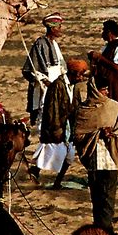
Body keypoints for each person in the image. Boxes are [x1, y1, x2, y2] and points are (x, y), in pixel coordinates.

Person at [70, 76, 118, 230]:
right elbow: (77, 135)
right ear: (95, 90)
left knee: (108, 200)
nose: (107, 92)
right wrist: (96, 134)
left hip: (110, 160)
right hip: (93, 161)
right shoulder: (83, 110)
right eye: (104, 89)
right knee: (96, 200)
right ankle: (100, 230)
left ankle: (106, 232)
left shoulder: (114, 107)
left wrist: (111, 134)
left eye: (108, 89)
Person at [29, 59, 90, 189]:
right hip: (56, 126)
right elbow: (52, 109)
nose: (81, 78)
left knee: (69, 155)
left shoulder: (74, 87)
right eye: (80, 75)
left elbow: (76, 106)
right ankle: (36, 171)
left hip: (68, 126)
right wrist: (56, 129)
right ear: (73, 74)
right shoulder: (57, 85)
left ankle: (57, 182)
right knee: (51, 152)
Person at [21, 12, 68, 124]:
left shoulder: (55, 44)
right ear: (52, 28)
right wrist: (47, 82)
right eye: (59, 27)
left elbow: (61, 67)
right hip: (44, 86)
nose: (61, 29)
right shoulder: (40, 44)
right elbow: (34, 68)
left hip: (57, 84)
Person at [89, 19, 118, 117]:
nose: (102, 34)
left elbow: (117, 67)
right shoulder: (108, 47)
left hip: (116, 86)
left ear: (109, 32)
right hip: (107, 85)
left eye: (104, 31)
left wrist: (99, 58)